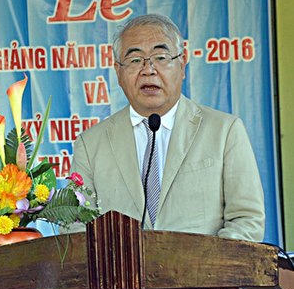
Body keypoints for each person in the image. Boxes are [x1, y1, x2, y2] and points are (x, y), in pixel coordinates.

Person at [71, 13, 265, 242]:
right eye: (135, 60)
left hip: (204, 275)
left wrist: (208, 270)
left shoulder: (225, 131)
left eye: (160, 57)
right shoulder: (90, 144)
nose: (148, 69)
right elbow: (75, 228)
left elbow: (247, 220)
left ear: (182, 65)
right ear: (118, 73)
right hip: (121, 277)